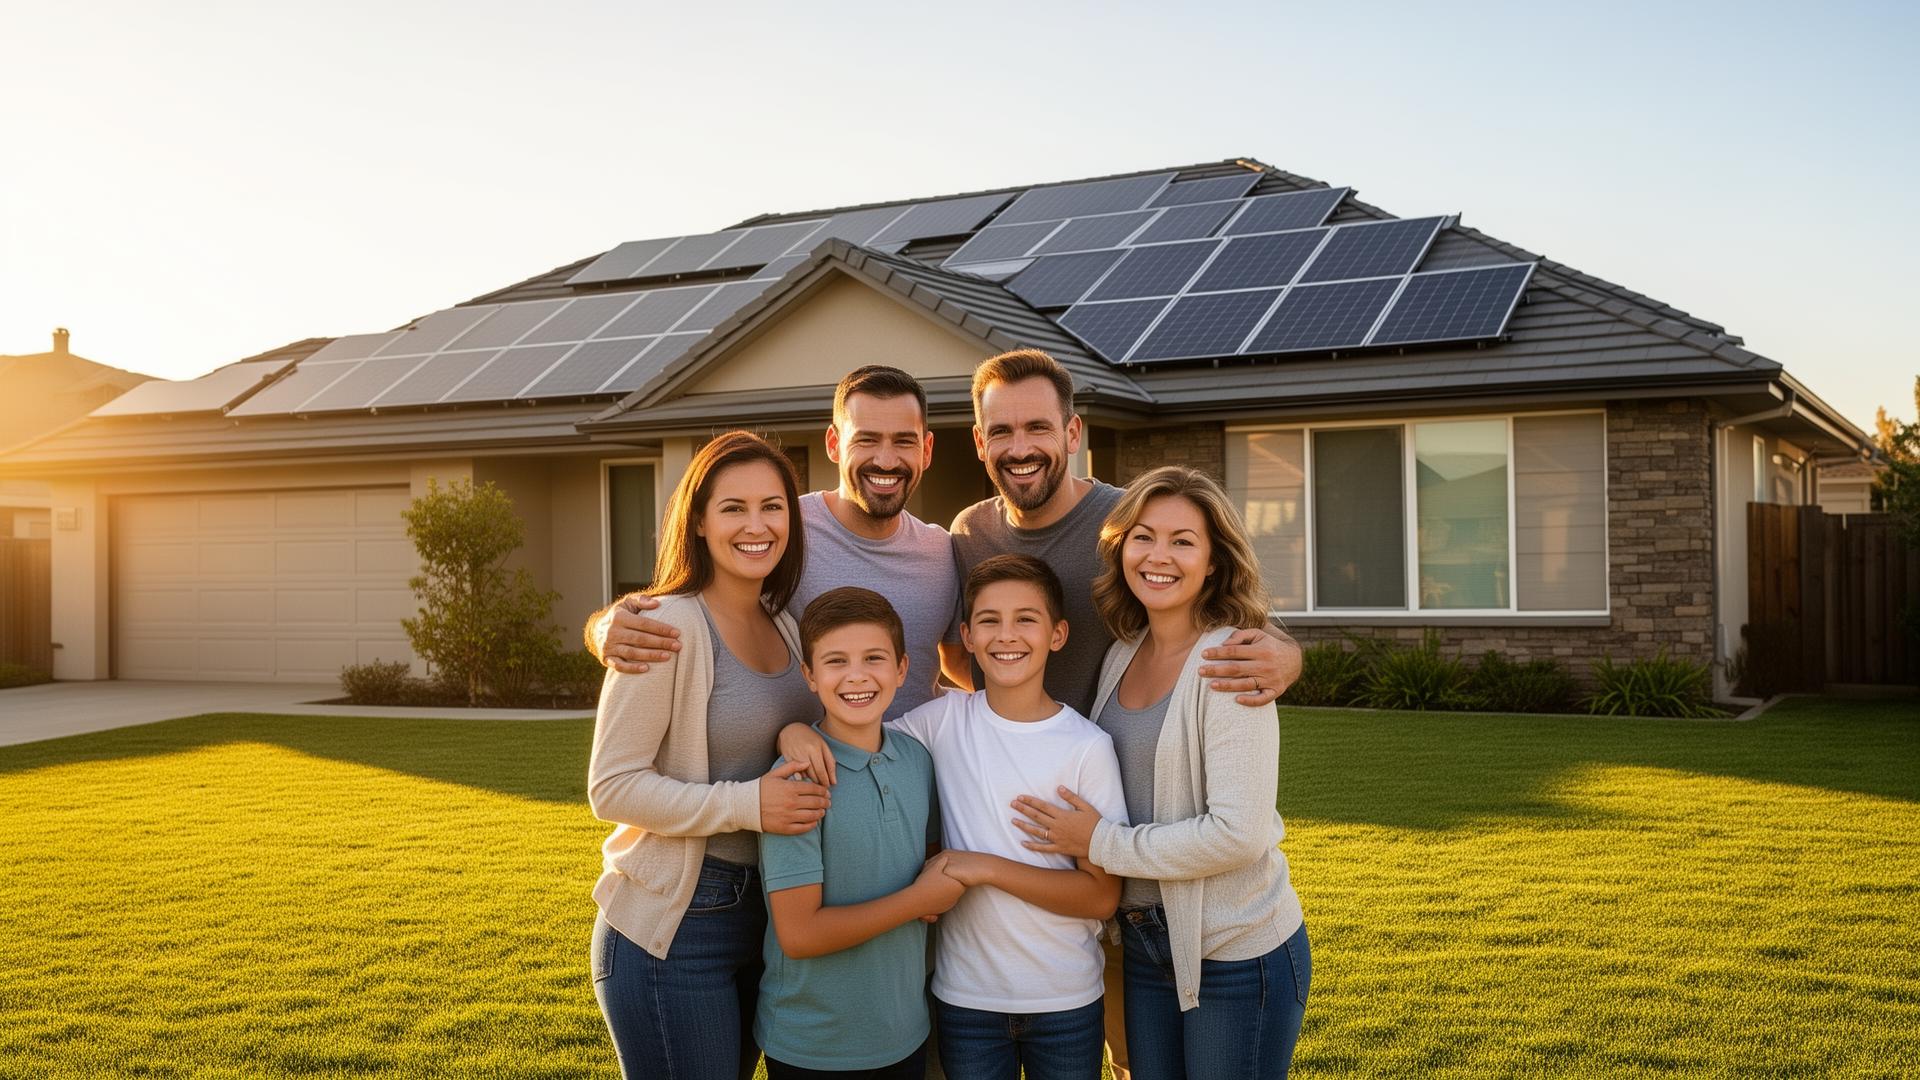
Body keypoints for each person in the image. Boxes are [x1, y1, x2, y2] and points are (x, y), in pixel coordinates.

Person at [1009, 466, 1310, 1080]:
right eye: (1143, 537)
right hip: (1145, 946)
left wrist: (1098, 844)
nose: (1159, 556)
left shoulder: (1230, 662)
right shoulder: (1124, 651)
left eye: (1183, 541)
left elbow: (1239, 833)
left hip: (1234, 950)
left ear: (1214, 562)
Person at [782, 555, 1128, 1080]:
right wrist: (796, 732)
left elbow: (1102, 896)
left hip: (1066, 997)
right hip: (965, 1000)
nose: (1006, 635)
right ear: (965, 636)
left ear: (1057, 634)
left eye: (1026, 619)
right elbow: (854, 722)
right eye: (989, 620)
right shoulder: (939, 723)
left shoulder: (1087, 747)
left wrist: (982, 867)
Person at [587, 430, 835, 1080]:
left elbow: (774, 725)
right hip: (679, 923)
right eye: (734, 508)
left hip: (771, 914)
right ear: (697, 520)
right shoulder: (662, 626)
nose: (757, 526)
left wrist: (792, 734)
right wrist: (748, 804)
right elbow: (611, 788)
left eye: (772, 506)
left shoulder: (784, 622)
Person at [586, 365, 966, 718]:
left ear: (926, 449)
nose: (886, 460)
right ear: (834, 444)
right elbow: (697, 598)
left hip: (917, 779)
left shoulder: (942, 552)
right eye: (866, 440)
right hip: (806, 776)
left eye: (904, 441)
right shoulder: (780, 530)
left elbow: (958, 662)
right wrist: (602, 626)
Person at [755, 587, 962, 1079]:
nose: (856, 675)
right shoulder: (797, 777)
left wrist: (928, 894)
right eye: (835, 661)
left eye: (874, 657)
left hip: (904, 1030)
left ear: (902, 669)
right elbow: (799, 934)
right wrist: (918, 900)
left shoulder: (917, 761)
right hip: (813, 1041)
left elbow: (930, 868)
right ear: (809, 675)